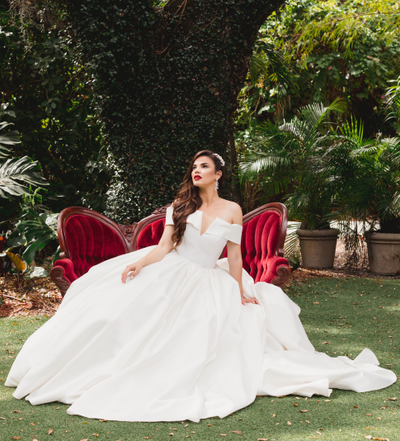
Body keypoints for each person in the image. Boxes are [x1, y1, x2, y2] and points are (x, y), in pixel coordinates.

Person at [5, 150, 396, 422]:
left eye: (204, 167)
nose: (196, 171)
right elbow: (162, 247)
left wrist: (243, 288)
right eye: (194, 166)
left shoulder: (232, 210)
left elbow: (235, 256)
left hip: (210, 278)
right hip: (172, 270)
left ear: (218, 174)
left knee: (215, 334)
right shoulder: (181, 206)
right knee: (115, 319)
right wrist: (139, 263)